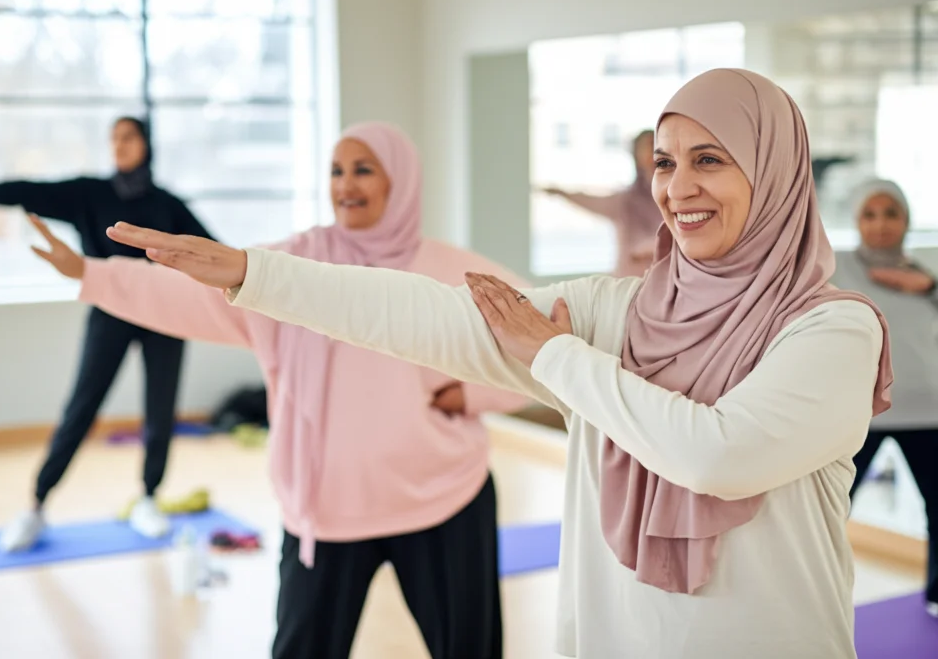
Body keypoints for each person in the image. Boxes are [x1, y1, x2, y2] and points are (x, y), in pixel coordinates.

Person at [99, 69, 897, 658]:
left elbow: (720, 456)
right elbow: (426, 312)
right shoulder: (619, 308)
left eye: (710, 160)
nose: (676, 187)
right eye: (664, 162)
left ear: (778, 170)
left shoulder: (832, 332)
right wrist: (253, 273)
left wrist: (556, 358)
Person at [28, 121, 531, 659]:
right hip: (325, 510)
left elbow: (539, 332)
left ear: (401, 181)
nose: (346, 185)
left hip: (441, 498)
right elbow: (188, 293)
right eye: (337, 171)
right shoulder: (293, 264)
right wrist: (90, 273)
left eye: (364, 170)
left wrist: (474, 395)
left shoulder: (449, 268)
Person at [0, 116, 214, 551]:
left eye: (128, 137)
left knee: (160, 409)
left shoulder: (167, 203)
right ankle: (37, 504)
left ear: (146, 144)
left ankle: (149, 498)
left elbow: (210, 249)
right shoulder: (90, 194)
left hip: (164, 316)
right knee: (82, 406)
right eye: (113, 138)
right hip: (110, 313)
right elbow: (27, 190)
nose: (119, 145)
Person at [830, 177, 938, 617]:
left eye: (891, 213)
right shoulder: (832, 266)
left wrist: (928, 288)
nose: (880, 224)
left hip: (928, 410)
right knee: (829, 510)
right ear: (855, 220)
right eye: (869, 214)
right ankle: (822, 597)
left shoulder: (927, 271)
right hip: (860, 412)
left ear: (907, 220)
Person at [541, 129, 662, 277]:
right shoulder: (626, 200)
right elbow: (592, 201)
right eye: (649, 145)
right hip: (631, 282)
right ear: (637, 155)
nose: (655, 150)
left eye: (658, 143)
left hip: (664, 281)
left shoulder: (673, 194)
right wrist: (561, 193)